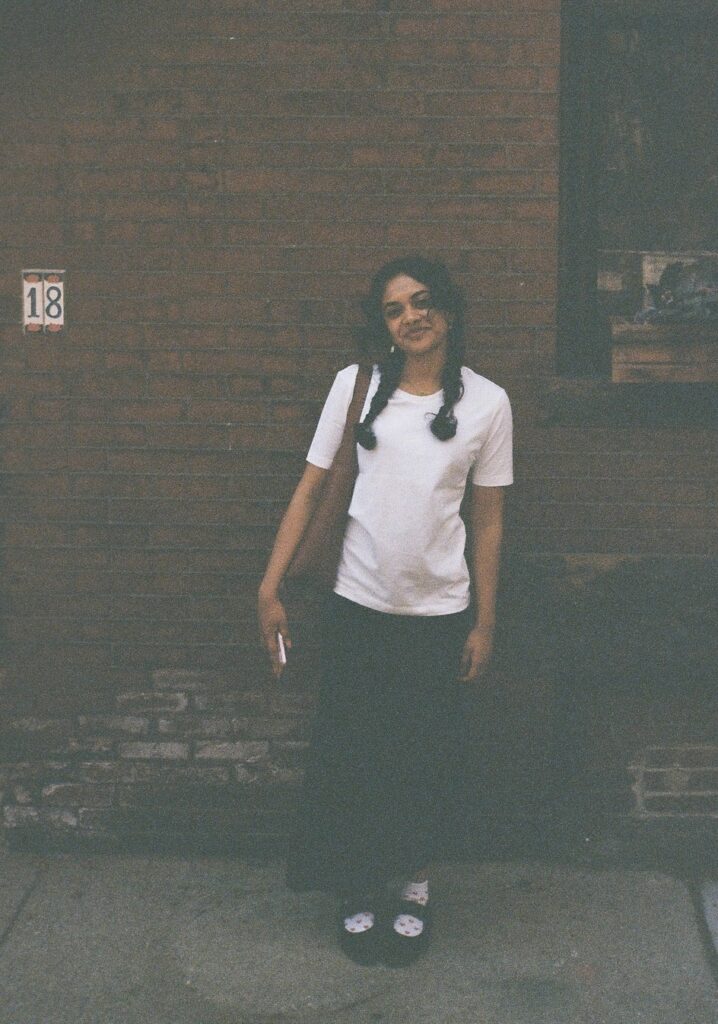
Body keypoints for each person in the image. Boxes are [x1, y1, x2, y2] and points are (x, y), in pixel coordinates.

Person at [258, 255, 513, 967]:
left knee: (422, 757)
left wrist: (485, 623)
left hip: (440, 615)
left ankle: (415, 886)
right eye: (396, 309)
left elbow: (489, 522)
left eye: (424, 301)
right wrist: (269, 586)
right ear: (385, 326)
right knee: (356, 756)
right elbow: (310, 491)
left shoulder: (488, 405)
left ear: (449, 312)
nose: (412, 316)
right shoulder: (356, 388)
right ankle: (361, 884)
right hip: (358, 607)